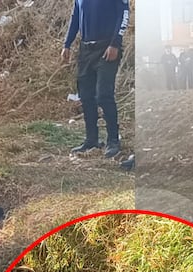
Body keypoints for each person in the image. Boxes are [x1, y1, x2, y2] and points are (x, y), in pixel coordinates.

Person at [62, 0, 130, 158]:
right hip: (86, 49)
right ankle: (91, 139)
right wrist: (67, 43)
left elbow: (124, 14)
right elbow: (76, 16)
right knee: (86, 96)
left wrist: (115, 43)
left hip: (107, 48)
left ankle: (113, 140)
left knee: (103, 95)